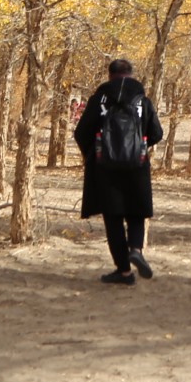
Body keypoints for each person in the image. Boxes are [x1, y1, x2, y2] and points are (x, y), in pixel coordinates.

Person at [75, 58, 164, 286]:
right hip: (137, 164)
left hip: (105, 168)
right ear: (132, 75)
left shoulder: (100, 99)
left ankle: (124, 272)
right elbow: (156, 133)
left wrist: (92, 154)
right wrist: (138, 145)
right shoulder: (142, 101)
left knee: (113, 218)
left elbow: (81, 131)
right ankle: (136, 249)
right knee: (136, 212)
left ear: (109, 75)